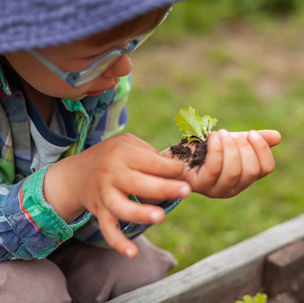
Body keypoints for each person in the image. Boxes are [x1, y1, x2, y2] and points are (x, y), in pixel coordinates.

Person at [0, 0, 281, 302]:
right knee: (32, 290)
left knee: (133, 266)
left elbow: (94, 232)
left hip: (47, 245)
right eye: (97, 57)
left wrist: (161, 177)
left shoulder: (98, 89)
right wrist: (67, 186)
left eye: (133, 42)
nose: (124, 67)